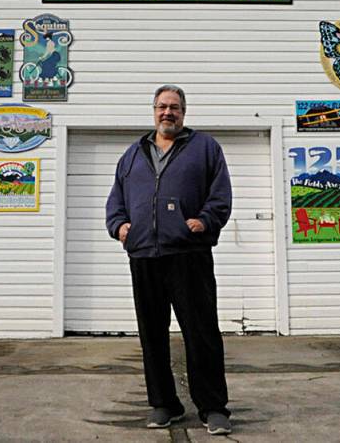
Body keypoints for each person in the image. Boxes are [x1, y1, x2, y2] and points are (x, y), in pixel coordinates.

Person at [105, 84, 233, 435]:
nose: (168, 113)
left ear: (184, 112)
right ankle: (164, 404)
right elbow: (116, 200)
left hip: (188, 254)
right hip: (144, 254)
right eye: (162, 107)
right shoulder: (132, 154)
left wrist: (204, 221)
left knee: (201, 332)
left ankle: (213, 407)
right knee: (152, 335)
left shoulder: (205, 148)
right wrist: (119, 227)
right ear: (153, 110)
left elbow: (220, 195)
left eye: (174, 107)